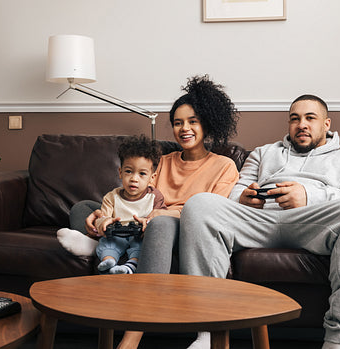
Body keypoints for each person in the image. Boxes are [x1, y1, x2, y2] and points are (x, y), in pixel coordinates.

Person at [178, 94, 340, 349]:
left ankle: (339, 339)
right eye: (295, 119)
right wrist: (244, 197)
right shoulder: (263, 153)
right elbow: (235, 190)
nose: (302, 125)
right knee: (199, 204)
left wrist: (308, 196)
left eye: (310, 118)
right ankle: (206, 334)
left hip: (314, 222)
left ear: (327, 124)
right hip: (259, 219)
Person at [59, 75, 240, 349]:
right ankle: (100, 241)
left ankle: (134, 334)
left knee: (162, 224)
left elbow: (212, 213)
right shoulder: (161, 161)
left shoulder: (224, 165)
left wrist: (159, 216)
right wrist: (106, 215)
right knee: (83, 207)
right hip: (139, 222)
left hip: (180, 230)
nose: (184, 128)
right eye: (178, 123)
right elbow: (134, 196)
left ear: (207, 123)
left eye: (192, 121)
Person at [95, 135, 165, 274]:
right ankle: (108, 262)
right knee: (106, 244)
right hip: (116, 236)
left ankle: (130, 265)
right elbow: (102, 217)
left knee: (142, 247)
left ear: (152, 177)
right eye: (128, 171)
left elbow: (161, 221)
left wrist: (148, 222)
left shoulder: (155, 197)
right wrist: (104, 222)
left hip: (139, 236)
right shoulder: (112, 196)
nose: (134, 179)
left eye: (142, 174)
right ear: (120, 173)